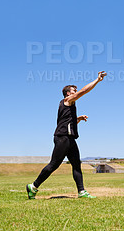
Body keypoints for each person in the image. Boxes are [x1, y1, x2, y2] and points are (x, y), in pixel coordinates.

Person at [26, 71, 107, 199]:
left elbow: (66, 121)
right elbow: (83, 92)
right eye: (74, 90)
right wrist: (97, 81)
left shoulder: (69, 105)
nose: (76, 91)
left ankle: (81, 191)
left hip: (70, 139)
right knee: (54, 165)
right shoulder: (67, 100)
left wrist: (78, 119)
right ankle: (33, 186)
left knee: (76, 164)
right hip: (62, 138)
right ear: (68, 93)